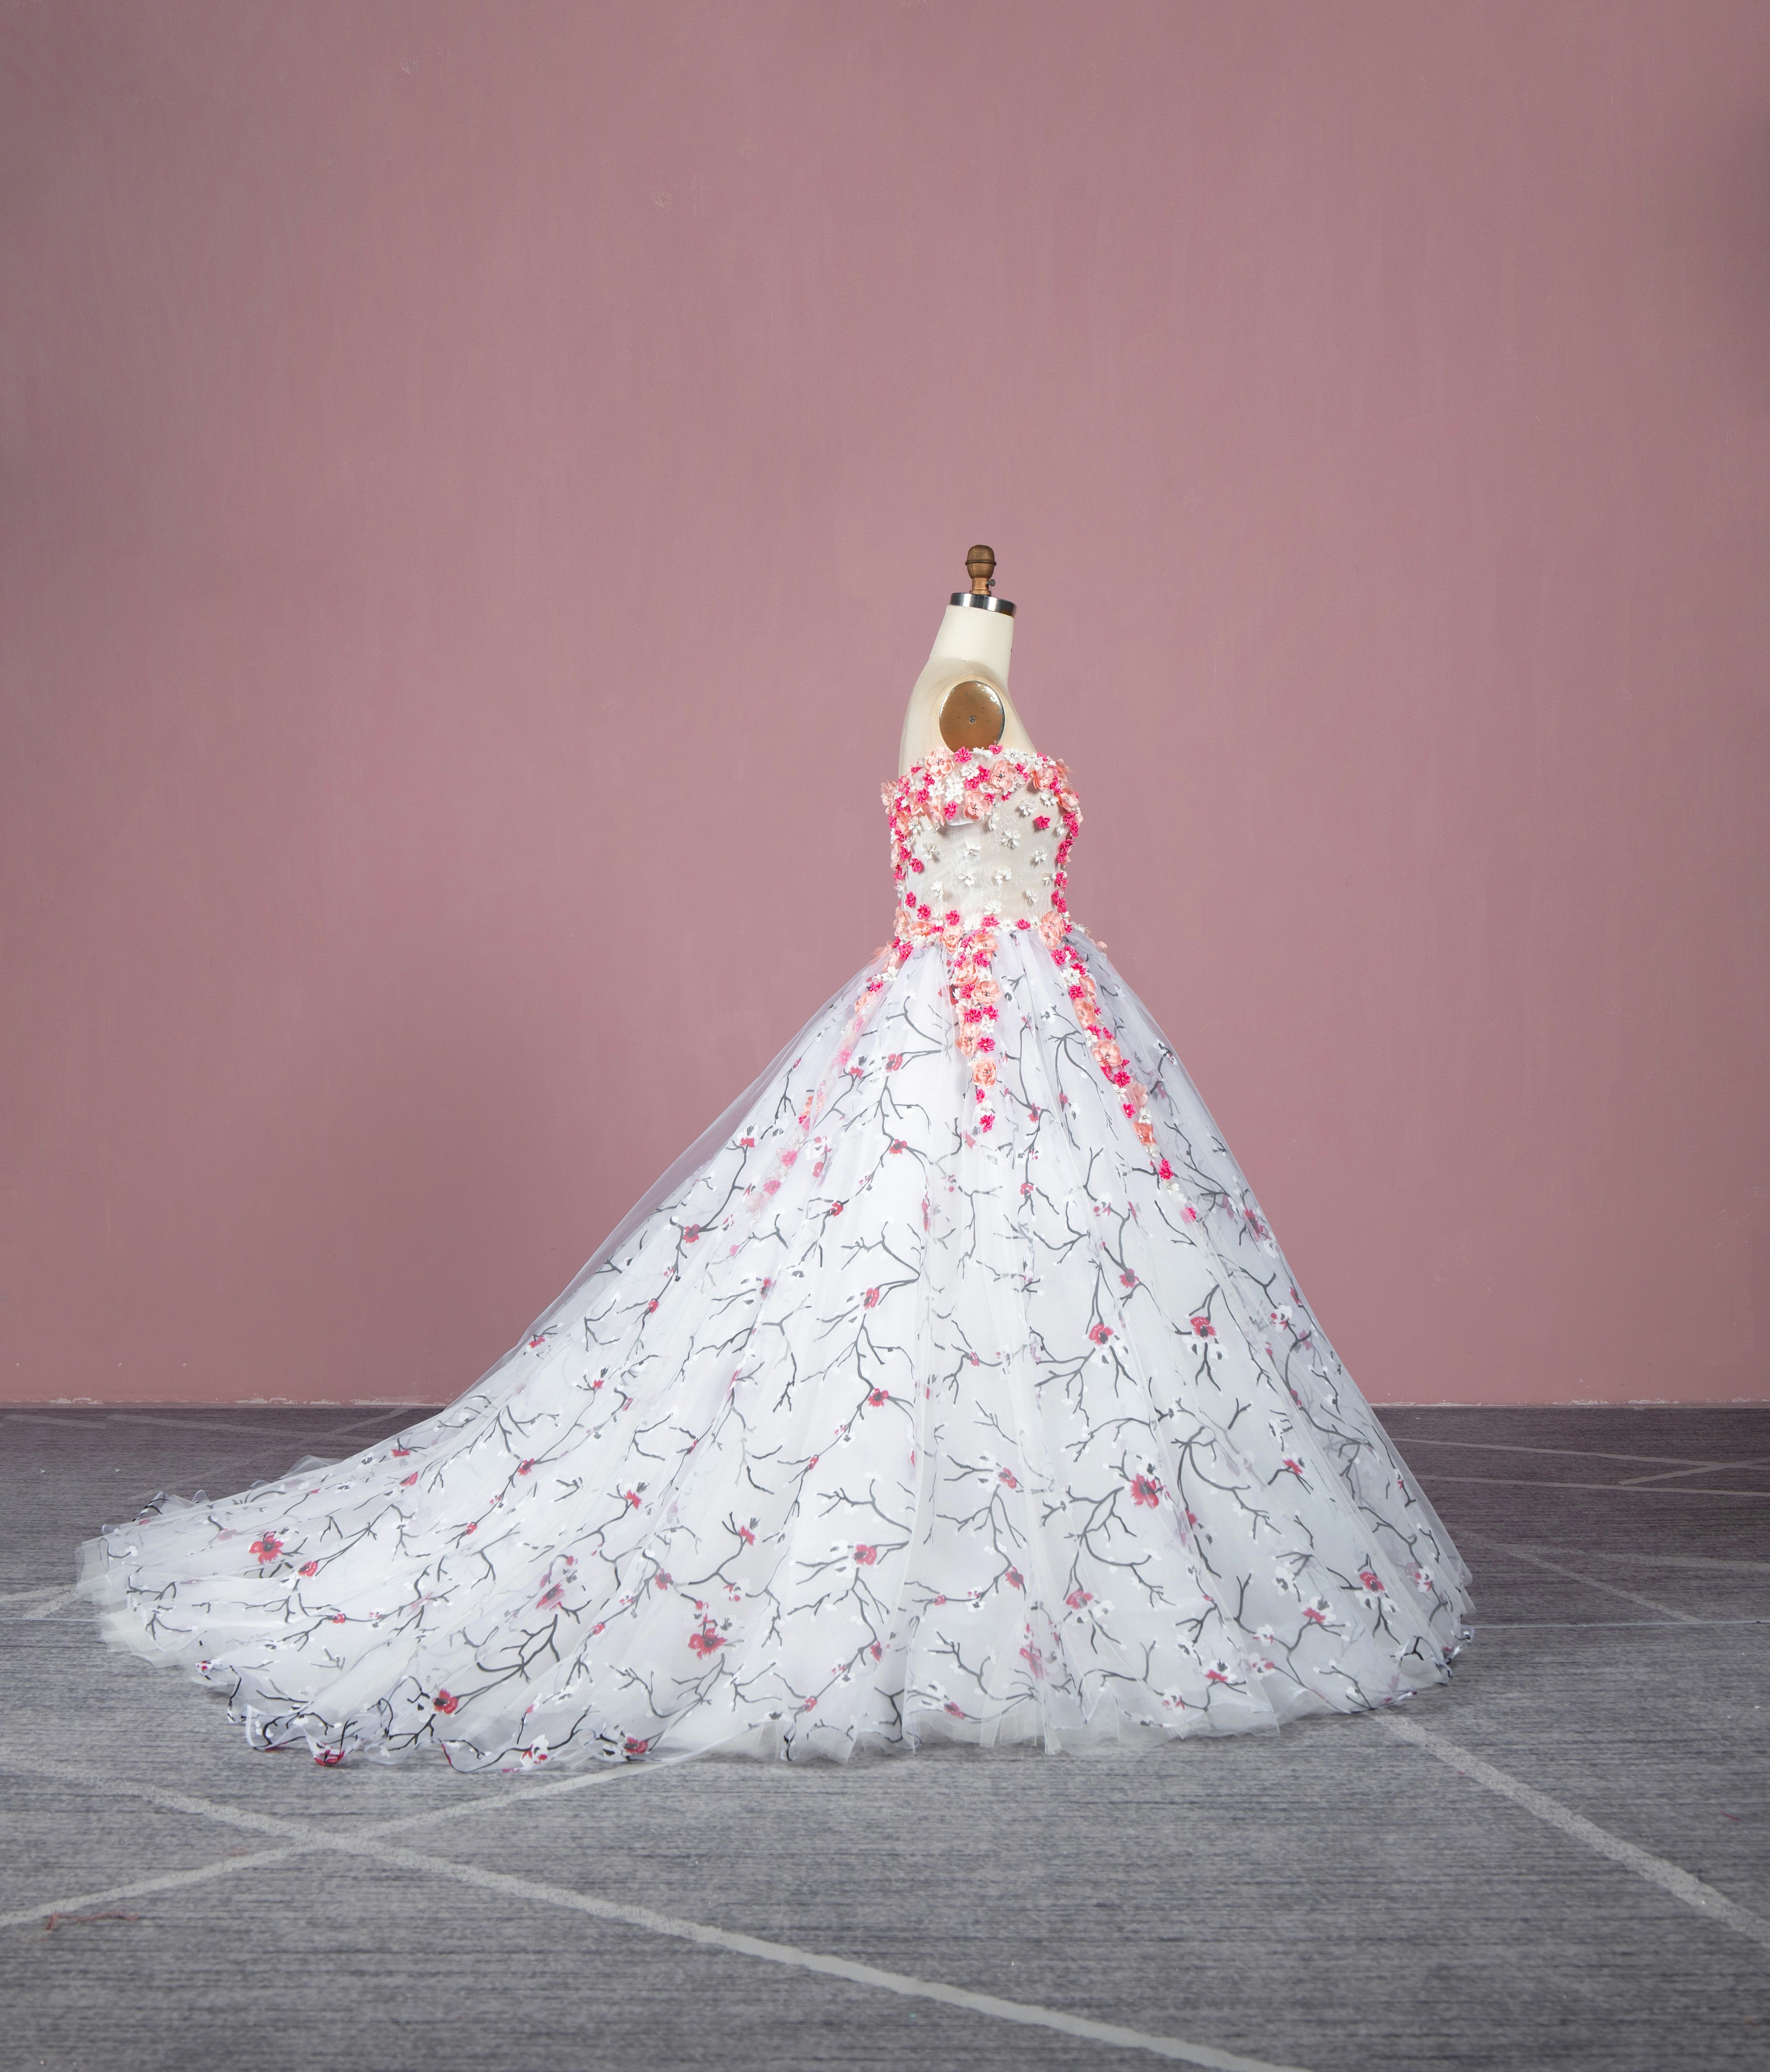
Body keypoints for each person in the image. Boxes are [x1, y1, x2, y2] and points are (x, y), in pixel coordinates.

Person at [80, 549, 1469, 1769]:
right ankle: (912, 1596)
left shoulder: (982, 682)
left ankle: (1018, 1590)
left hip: (1056, 1034)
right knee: (892, 1303)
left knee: (1072, 1306)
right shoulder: (955, 690)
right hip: (948, 1035)